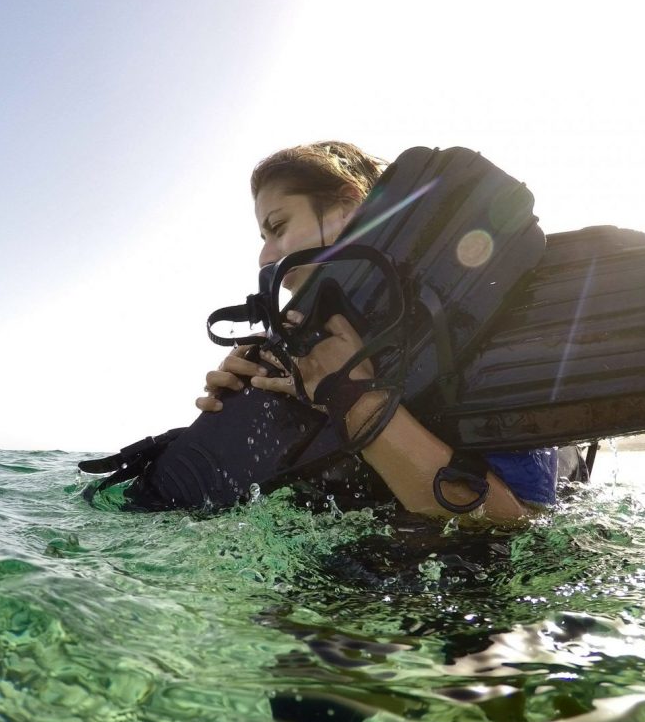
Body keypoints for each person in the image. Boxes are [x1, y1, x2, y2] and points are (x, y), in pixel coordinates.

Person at [195, 142, 558, 524]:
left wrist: (352, 400)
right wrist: (240, 414)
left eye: (278, 227)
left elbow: (519, 528)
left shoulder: (478, 336)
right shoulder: (300, 360)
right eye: (263, 238)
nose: (265, 257)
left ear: (347, 208)